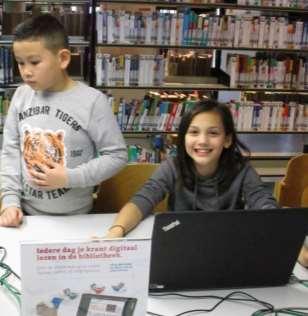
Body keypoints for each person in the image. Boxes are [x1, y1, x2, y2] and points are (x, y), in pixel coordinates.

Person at [0, 14, 127, 227]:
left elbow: (117, 155)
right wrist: (10, 201)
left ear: (63, 59)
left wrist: (70, 177)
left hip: (78, 219)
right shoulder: (21, 96)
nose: (26, 72)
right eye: (20, 63)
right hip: (27, 218)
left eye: (34, 62)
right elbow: (10, 152)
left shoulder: (93, 102)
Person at [106, 99, 278, 238]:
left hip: (228, 244)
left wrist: (296, 248)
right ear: (183, 138)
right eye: (194, 132)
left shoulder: (242, 170)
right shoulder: (172, 167)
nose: (202, 141)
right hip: (181, 243)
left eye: (213, 133)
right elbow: (142, 201)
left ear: (227, 140)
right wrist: (116, 231)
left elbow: (264, 203)